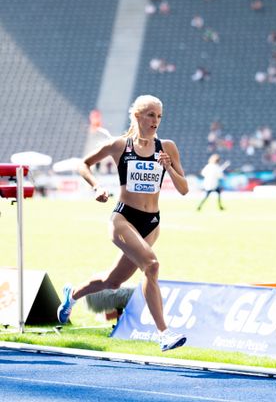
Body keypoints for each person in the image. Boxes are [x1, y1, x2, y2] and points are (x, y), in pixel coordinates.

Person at [56, 95, 189, 352]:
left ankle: (71, 296)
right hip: (123, 218)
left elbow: (184, 189)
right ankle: (164, 333)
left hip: (151, 223)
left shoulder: (167, 147)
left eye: (159, 116)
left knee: (112, 282)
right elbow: (83, 164)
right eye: (151, 115)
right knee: (152, 266)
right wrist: (96, 187)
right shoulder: (120, 146)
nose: (156, 121)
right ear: (137, 116)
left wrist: (169, 168)